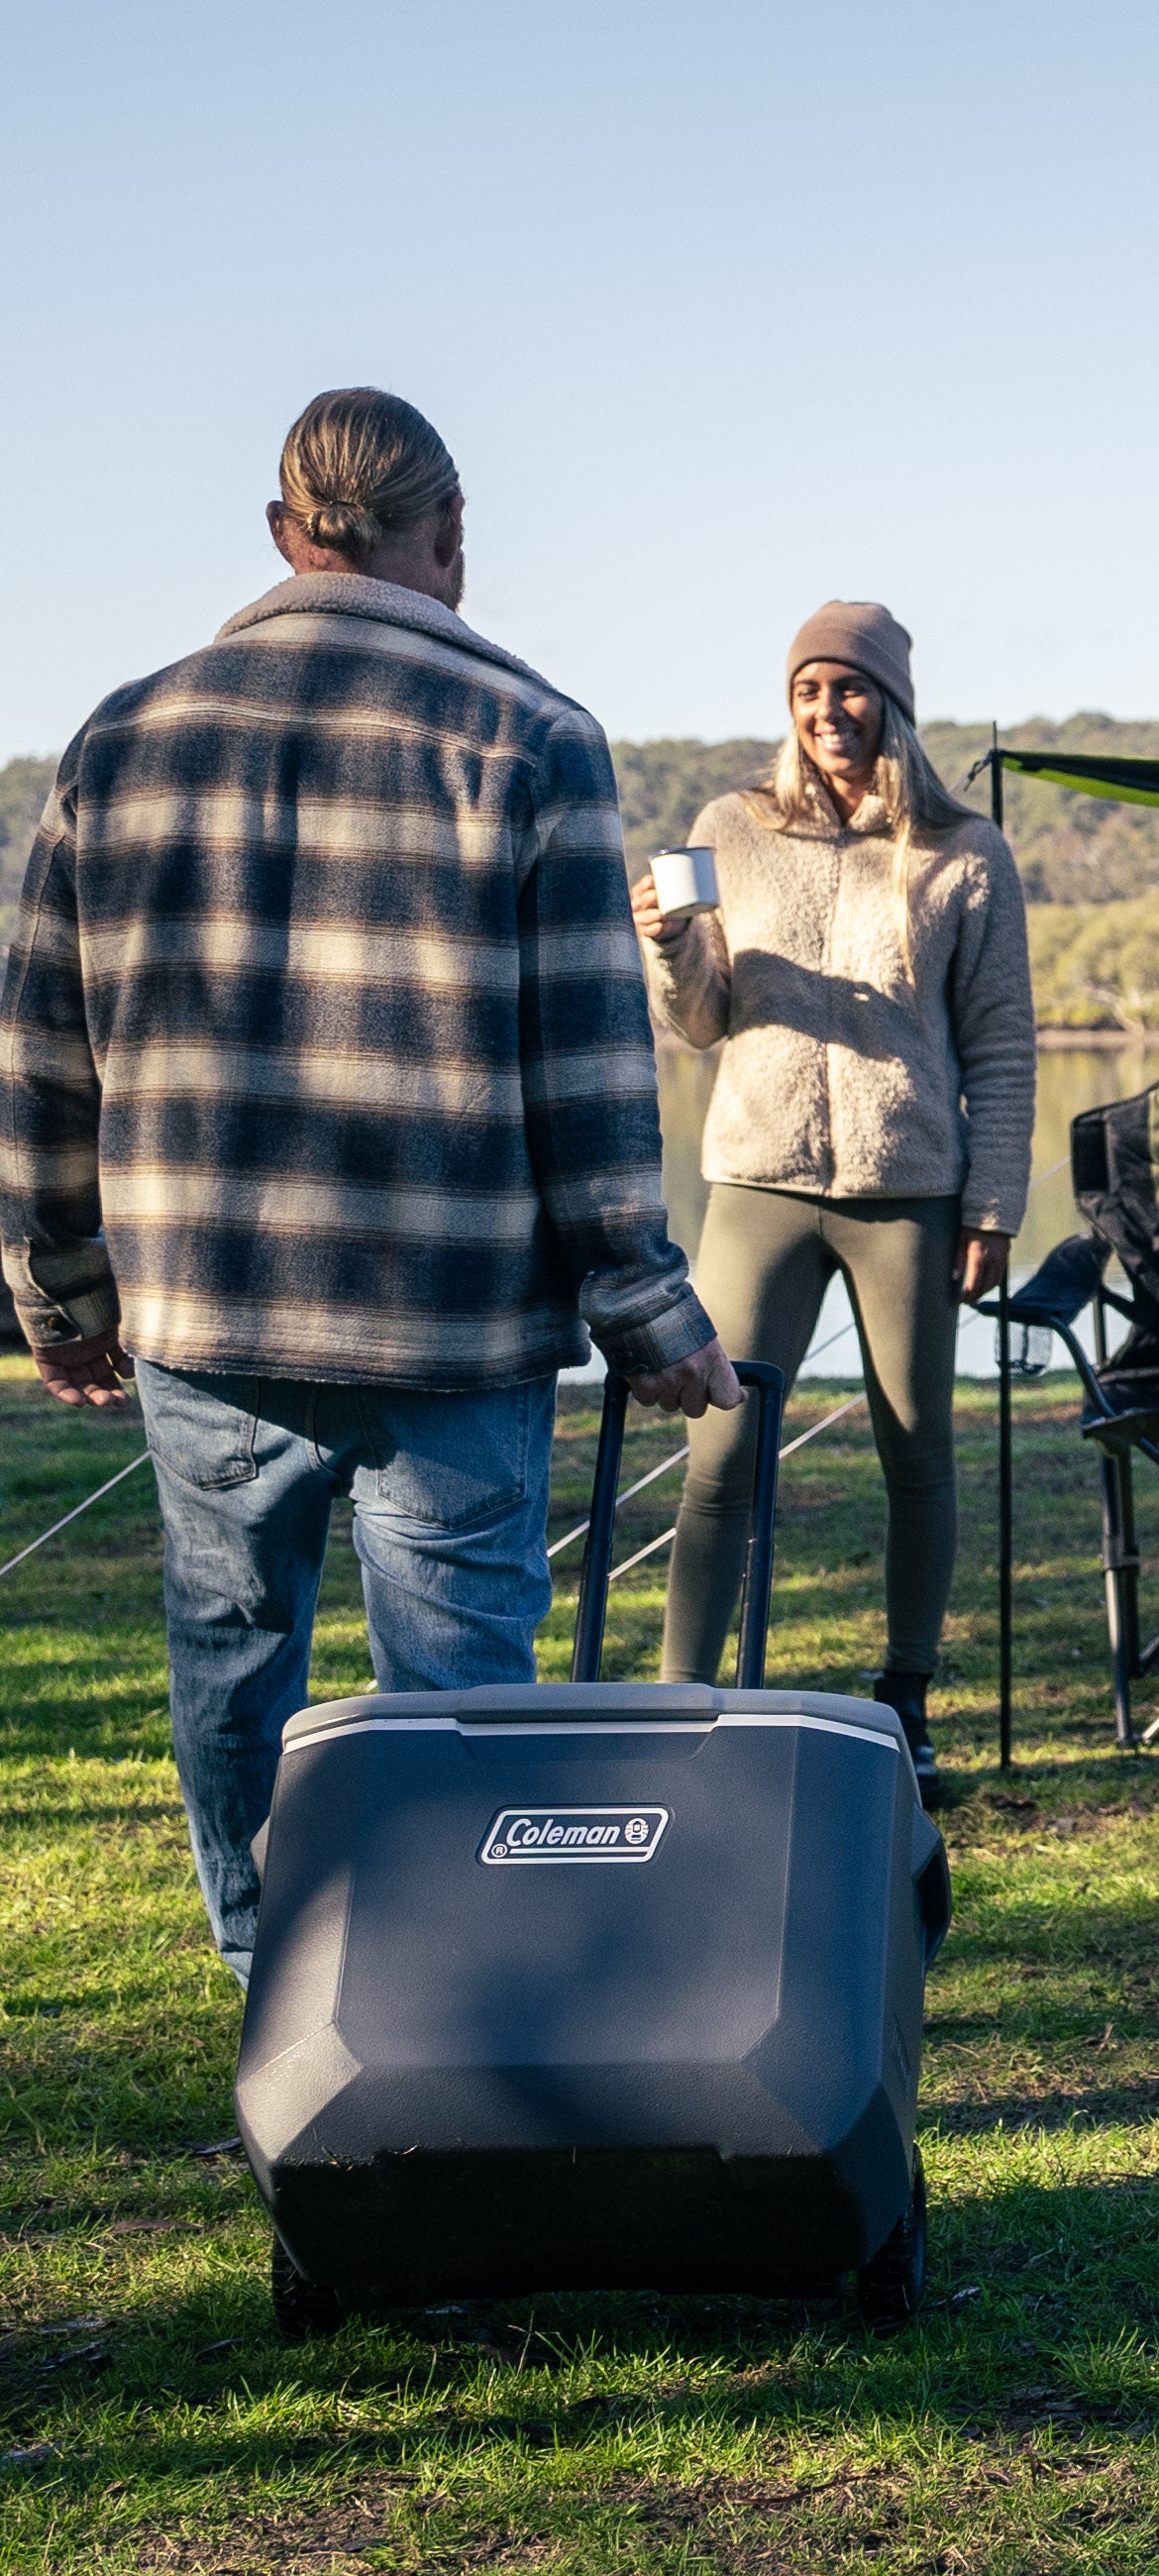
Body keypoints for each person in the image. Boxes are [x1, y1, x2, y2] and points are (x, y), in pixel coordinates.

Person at [0, 387, 736, 1981]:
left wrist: (58, 1290)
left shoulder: (121, 738)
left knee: (229, 1656)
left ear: (283, 533)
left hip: (205, 1306)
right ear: (451, 537)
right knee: (461, 1687)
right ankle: (454, 2007)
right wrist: (644, 1301)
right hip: (450, 1321)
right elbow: (593, 1074)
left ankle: (273, 1983)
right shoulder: (535, 739)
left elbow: (44, 1047)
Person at [634, 603, 1031, 1803]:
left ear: (892, 703)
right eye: (807, 691)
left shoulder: (967, 849)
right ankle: (677, 1708)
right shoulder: (730, 829)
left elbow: (1004, 1042)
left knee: (917, 1449)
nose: (825, 712)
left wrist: (995, 1203)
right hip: (757, 1177)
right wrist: (668, 944)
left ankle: (904, 1704)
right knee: (722, 1445)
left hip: (908, 1187)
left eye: (848, 690)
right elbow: (698, 1022)